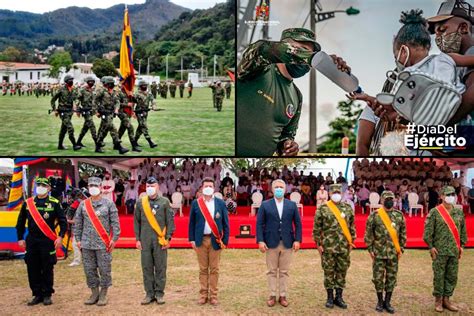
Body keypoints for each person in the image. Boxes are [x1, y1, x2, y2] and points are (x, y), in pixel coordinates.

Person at [237, 27, 350, 156]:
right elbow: (259, 49)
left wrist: (289, 146)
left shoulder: (296, 96)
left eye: (309, 54)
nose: (305, 60)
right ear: (283, 47)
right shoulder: (259, 68)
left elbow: (286, 135)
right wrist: (313, 58)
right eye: (301, 50)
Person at [16, 177, 67, 306]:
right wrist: (20, 238)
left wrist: (60, 237)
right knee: (32, 267)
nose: (41, 187)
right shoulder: (28, 203)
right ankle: (37, 294)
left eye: (44, 185)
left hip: (47, 240)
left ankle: (47, 294)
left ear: (49, 188)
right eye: (38, 184)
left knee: (47, 267)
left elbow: (63, 222)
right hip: (32, 240)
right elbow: (20, 222)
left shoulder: (54, 203)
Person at [74, 177, 121, 306]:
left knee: (104, 269)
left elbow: (116, 224)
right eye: (91, 185)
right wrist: (78, 240)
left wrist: (114, 239)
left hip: (103, 244)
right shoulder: (83, 205)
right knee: (89, 269)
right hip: (86, 243)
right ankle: (94, 292)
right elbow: (78, 224)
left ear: (101, 187)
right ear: (88, 188)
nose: (93, 187)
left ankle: (103, 293)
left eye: (95, 185)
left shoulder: (109, 204)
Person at [257, 179, 302, 308]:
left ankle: (283, 295)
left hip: (287, 242)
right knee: (271, 271)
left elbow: (298, 224)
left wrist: (297, 240)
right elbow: (260, 224)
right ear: (272, 189)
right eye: (276, 187)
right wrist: (260, 240)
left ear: (285, 189)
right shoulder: (265, 205)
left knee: (284, 271)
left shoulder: (292, 205)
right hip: (270, 242)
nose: (278, 189)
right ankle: (272, 295)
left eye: (281, 187)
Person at [423, 185, 467, 313]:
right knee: (439, 276)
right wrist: (431, 247)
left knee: (452, 276)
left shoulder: (458, 212)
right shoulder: (435, 212)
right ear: (441, 196)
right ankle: (438, 300)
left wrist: (462, 246)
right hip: (440, 251)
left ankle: (447, 300)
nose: (450, 197)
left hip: (454, 250)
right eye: (448, 194)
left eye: (452, 194)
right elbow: (427, 233)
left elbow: (463, 231)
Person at [313, 184, 355, 309]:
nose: (336, 194)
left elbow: (352, 227)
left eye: (338, 192)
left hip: (343, 247)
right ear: (330, 194)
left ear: (342, 193)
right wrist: (318, 244)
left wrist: (352, 242)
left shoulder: (347, 208)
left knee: (342, 272)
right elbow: (317, 229)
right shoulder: (323, 209)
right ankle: (330, 297)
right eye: (334, 192)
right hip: (328, 247)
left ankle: (339, 297)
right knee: (329, 272)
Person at [134, 177, 175, 305]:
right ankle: (149, 294)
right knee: (146, 267)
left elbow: (170, 221)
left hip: (159, 240)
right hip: (145, 239)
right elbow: (137, 222)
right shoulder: (141, 203)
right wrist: (138, 239)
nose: (150, 188)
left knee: (160, 267)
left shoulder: (164, 202)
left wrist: (168, 238)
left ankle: (159, 294)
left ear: (158, 187)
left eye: (153, 186)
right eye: (148, 186)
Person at [188, 177, 229, 305]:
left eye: (210, 186)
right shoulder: (196, 203)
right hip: (201, 239)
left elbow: (226, 223)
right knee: (203, 269)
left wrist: (225, 241)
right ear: (201, 187)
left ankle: (214, 295)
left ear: (214, 188)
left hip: (215, 239)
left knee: (215, 269)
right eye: (206, 186)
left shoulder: (220, 203)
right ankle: (203, 294)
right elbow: (192, 223)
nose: (208, 188)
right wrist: (192, 239)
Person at [365, 191, 407, 314]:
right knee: (378, 278)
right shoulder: (374, 216)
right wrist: (370, 249)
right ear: (382, 200)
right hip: (378, 252)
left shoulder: (399, 216)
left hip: (393, 253)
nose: (389, 201)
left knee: (391, 277)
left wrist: (401, 249)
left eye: (391, 199)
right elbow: (368, 234)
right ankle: (379, 301)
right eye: (387, 199)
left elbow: (403, 235)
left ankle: (387, 302)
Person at [95, 76, 129, 154]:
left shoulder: (114, 92)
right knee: (113, 129)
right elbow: (95, 101)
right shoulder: (102, 91)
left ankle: (98, 146)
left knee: (104, 130)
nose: (112, 84)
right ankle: (119, 147)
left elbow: (117, 102)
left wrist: (116, 109)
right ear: (106, 84)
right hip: (104, 113)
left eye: (112, 83)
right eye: (110, 83)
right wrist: (96, 111)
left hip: (110, 113)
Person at [50, 75, 81, 151]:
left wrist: (76, 105)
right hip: (63, 112)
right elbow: (53, 100)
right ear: (66, 81)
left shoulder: (73, 89)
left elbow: (76, 98)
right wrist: (55, 109)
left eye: (72, 80)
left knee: (63, 129)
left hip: (69, 112)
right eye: (70, 80)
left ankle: (60, 145)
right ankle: (75, 145)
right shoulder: (61, 89)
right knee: (70, 128)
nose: (71, 81)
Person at [133, 80, 158, 149]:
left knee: (140, 128)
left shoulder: (149, 94)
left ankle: (134, 141)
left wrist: (154, 106)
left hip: (145, 113)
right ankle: (150, 142)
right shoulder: (136, 94)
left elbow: (153, 100)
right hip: (139, 112)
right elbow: (133, 103)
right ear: (140, 86)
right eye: (143, 85)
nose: (145, 86)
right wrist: (132, 112)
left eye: (146, 85)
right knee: (144, 126)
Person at [117, 85, 141, 152]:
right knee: (130, 127)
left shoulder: (130, 93)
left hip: (128, 113)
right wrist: (126, 104)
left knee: (122, 128)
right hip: (121, 112)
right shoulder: (119, 93)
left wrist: (132, 95)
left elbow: (135, 102)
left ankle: (116, 144)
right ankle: (134, 146)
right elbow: (116, 103)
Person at [76, 76, 98, 148]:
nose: (92, 83)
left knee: (85, 128)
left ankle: (78, 142)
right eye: (90, 81)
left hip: (91, 111)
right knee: (92, 127)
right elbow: (77, 99)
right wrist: (77, 109)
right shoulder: (82, 89)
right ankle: (97, 144)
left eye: (93, 81)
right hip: (85, 111)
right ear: (87, 82)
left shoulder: (93, 90)